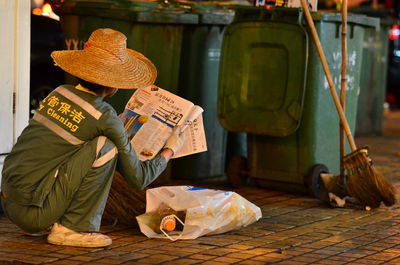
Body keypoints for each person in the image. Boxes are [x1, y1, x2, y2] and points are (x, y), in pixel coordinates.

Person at [0, 28, 186, 248]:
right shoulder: (104, 115)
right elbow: (139, 177)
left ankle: (56, 220)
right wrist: (170, 149)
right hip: (34, 213)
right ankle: (72, 230)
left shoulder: (59, 93)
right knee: (106, 148)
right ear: (112, 83)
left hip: (9, 202)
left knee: (95, 146)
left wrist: (114, 124)